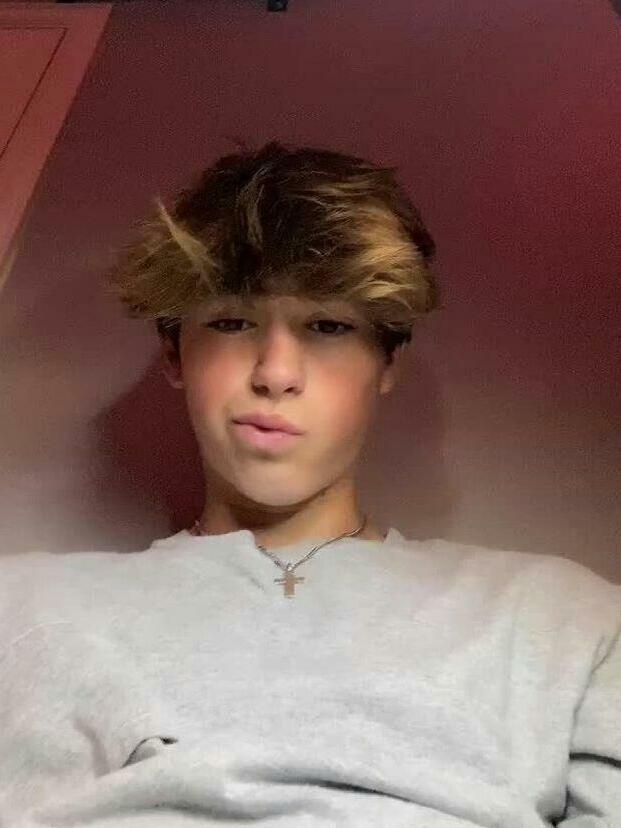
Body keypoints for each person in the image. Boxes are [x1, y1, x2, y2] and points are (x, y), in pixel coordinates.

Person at [0, 140, 619, 827]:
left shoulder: (564, 620)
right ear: (175, 353)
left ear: (386, 363)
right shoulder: (20, 606)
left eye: (327, 326)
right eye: (231, 322)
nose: (275, 373)